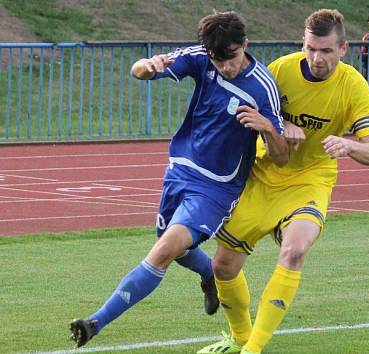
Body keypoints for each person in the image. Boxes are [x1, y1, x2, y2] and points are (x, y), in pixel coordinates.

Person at [68, 11, 288, 347]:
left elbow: (281, 155)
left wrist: (268, 127)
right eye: (217, 59)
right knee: (169, 243)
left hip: (217, 187)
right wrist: (149, 66)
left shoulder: (263, 86)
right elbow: (139, 70)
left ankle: (96, 321)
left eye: (230, 57)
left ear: (244, 44)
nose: (224, 66)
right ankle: (208, 274)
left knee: (164, 249)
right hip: (181, 169)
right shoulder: (202, 58)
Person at [197, 9, 369, 354]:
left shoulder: (353, 86)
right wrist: (278, 123)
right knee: (222, 265)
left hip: (310, 181)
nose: (317, 58)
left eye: (326, 51)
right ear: (303, 42)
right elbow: (246, 110)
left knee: (294, 250)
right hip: (263, 177)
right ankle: (238, 337)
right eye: (311, 48)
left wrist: (348, 145)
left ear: (343, 49)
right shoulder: (280, 70)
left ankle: (253, 348)